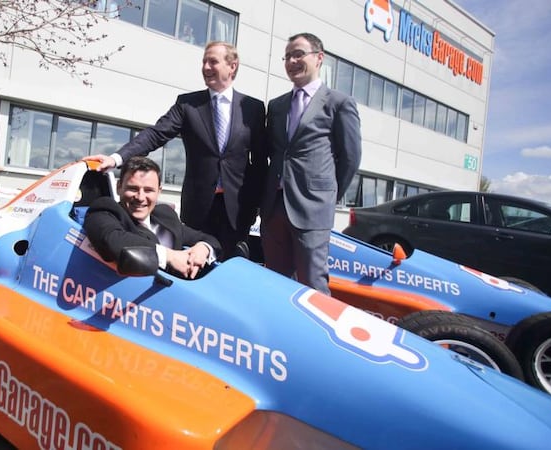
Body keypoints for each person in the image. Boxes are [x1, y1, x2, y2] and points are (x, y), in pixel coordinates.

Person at [83, 41, 267, 260]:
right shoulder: (188, 104)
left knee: (231, 269)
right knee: (194, 264)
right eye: (204, 62)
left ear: (232, 66)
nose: (206, 67)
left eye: (213, 61)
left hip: (238, 209)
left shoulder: (253, 108)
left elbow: (259, 162)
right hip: (199, 207)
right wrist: (116, 158)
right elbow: (156, 133)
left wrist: (259, 205)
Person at [260, 32, 362, 295]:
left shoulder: (339, 103)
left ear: (319, 58)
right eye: (287, 56)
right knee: (274, 284)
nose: (292, 61)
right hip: (274, 208)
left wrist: (326, 196)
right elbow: (273, 153)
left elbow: (350, 159)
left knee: (312, 285)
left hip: (313, 209)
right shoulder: (277, 105)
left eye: (298, 54)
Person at [84, 156, 221, 280]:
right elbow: (112, 240)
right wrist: (170, 256)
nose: (140, 197)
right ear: (119, 187)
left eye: (148, 190)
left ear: (159, 192)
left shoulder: (165, 215)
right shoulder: (104, 210)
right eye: (133, 188)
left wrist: (202, 249)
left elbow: (209, 240)